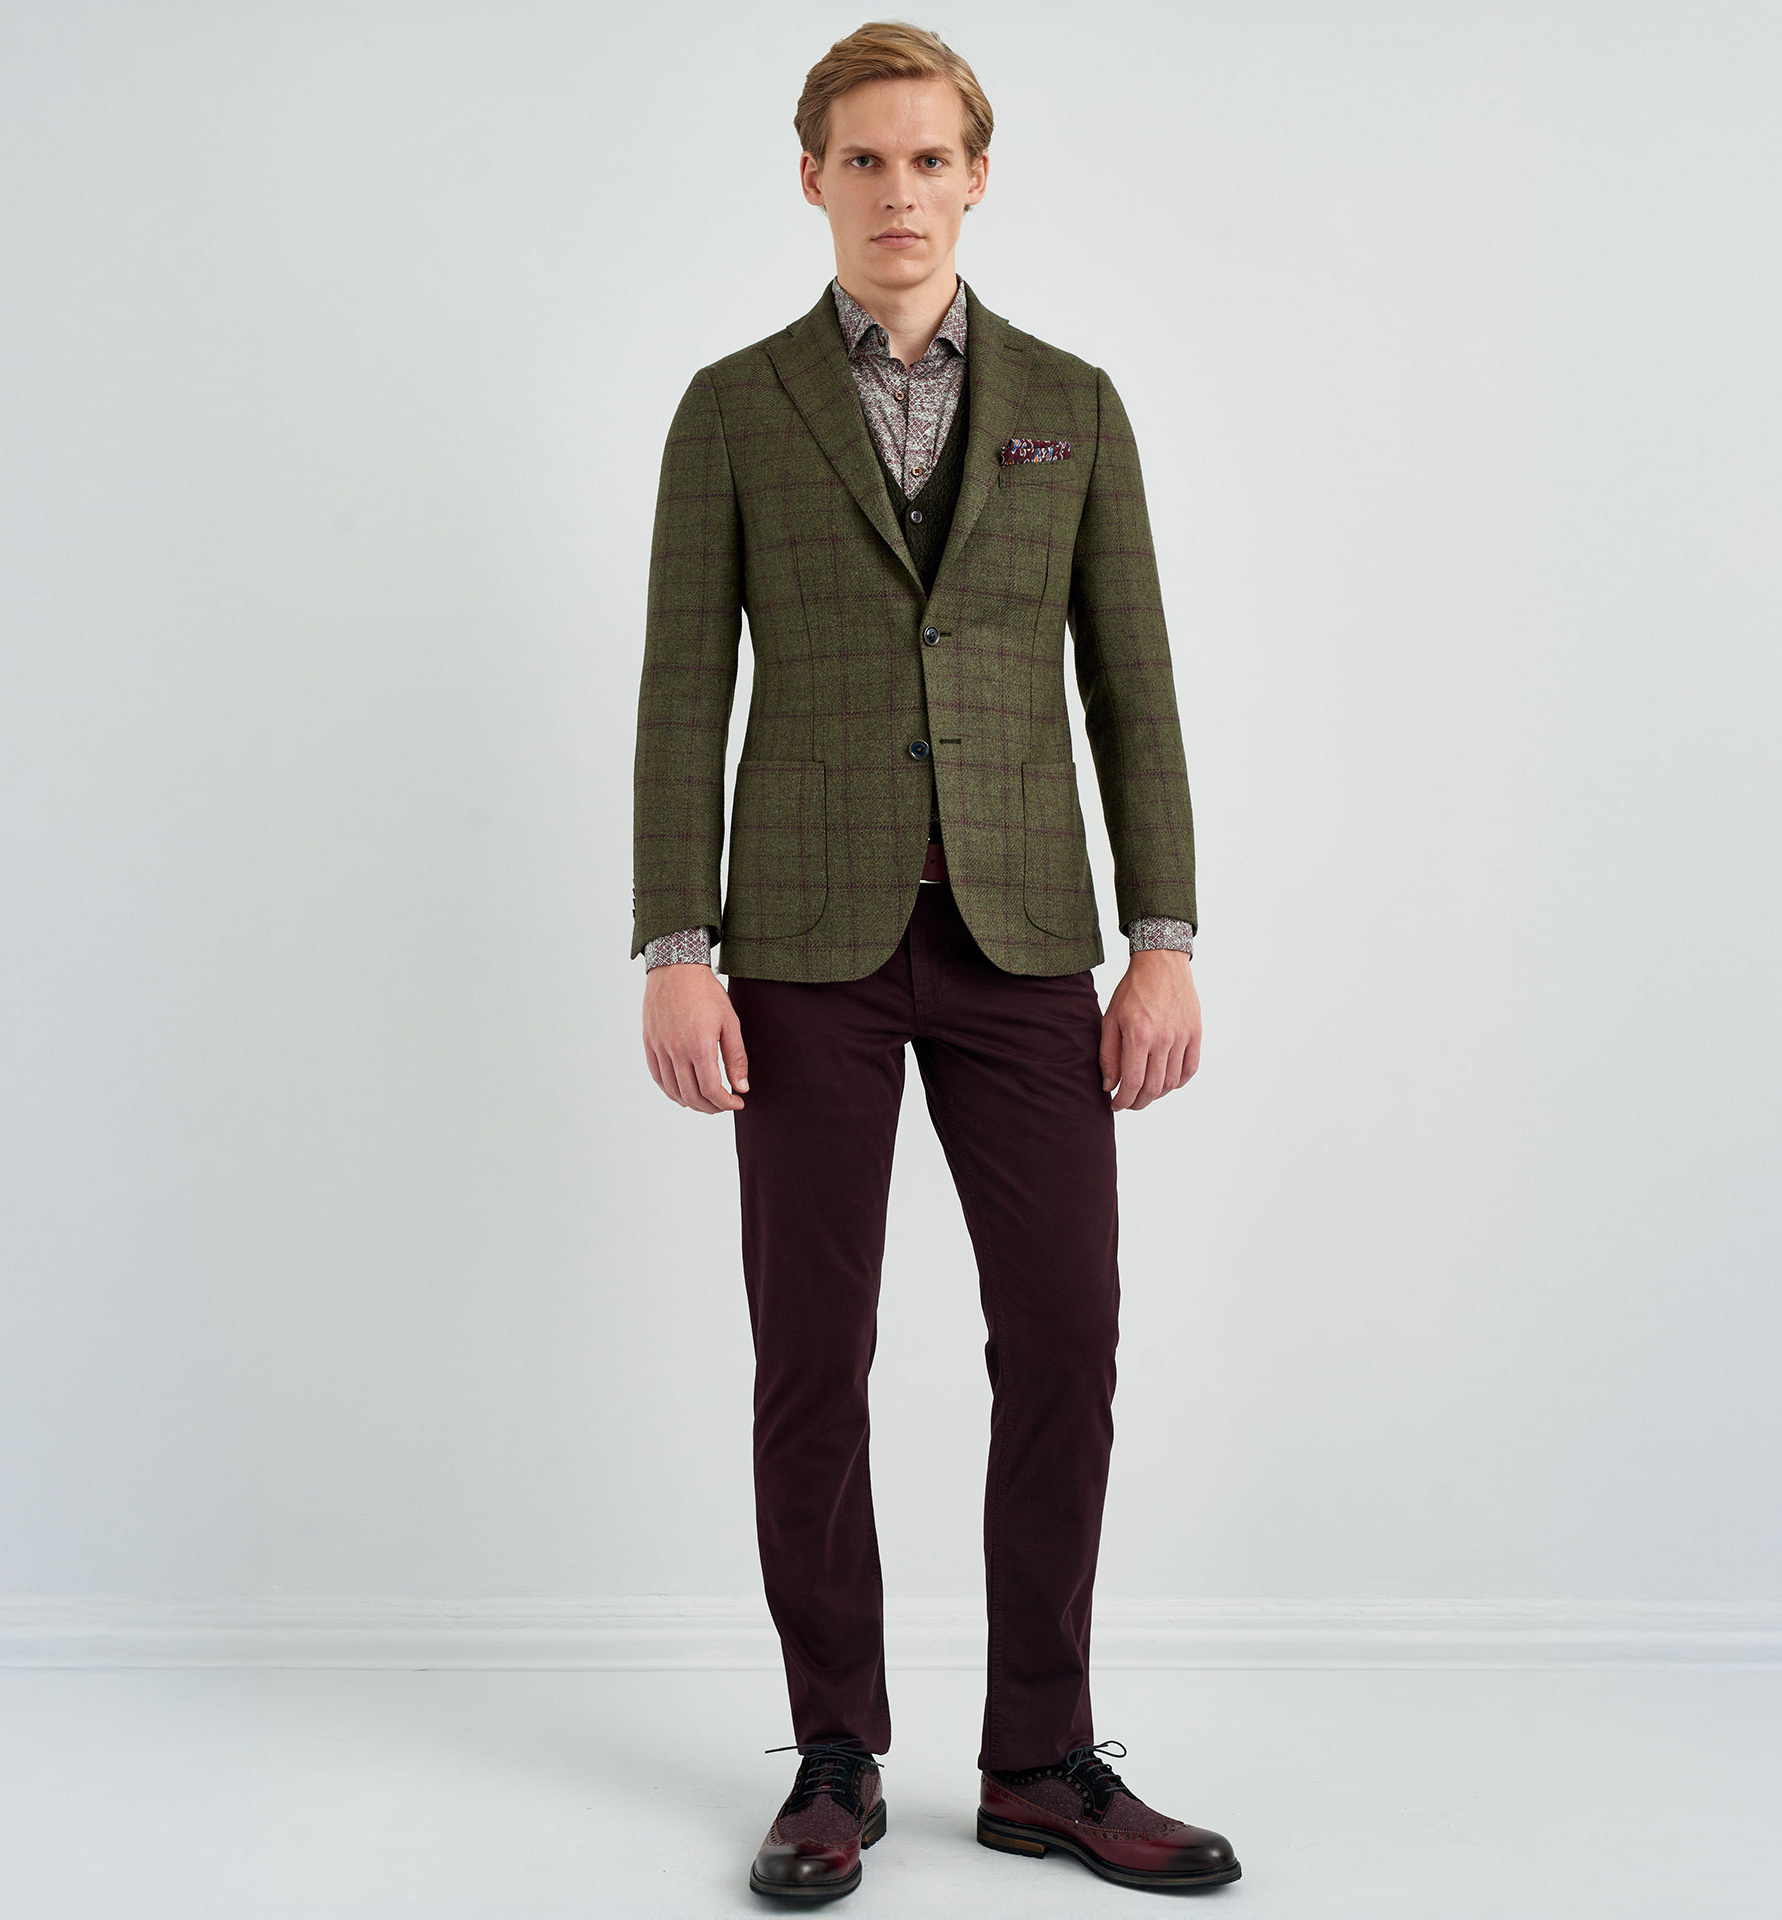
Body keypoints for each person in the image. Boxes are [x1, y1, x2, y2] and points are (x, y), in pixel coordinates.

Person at [630, 20, 1241, 1900]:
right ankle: (835, 1754)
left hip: (1025, 937)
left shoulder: (1072, 402)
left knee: (1065, 1335)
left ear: (979, 177)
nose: (898, 192)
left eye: (928, 159)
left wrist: (1163, 940)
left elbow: (1133, 689)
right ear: (811, 178)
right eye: (864, 160)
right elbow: (681, 693)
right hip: (801, 948)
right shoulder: (732, 408)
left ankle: (1042, 1756)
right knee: (812, 1359)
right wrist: (674, 945)